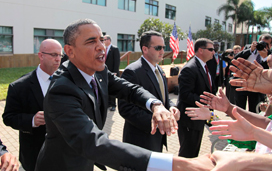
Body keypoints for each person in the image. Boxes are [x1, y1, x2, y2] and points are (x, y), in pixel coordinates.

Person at [34, 19, 215, 171]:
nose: (101, 47)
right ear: (70, 51)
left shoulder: (99, 71)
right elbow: (94, 142)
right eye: (91, 42)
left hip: (85, 161)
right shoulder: (61, 89)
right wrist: (176, 164)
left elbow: (129, 89)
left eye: (102, 40)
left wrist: (156, 105)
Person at [2, 39, 62, 171]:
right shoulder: (19, 86)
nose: (58, 59)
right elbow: (8, 117)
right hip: (35, 154)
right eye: (53, 55)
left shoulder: (68, 81)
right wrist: (32, 120)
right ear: (41, 55)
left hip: (65, 154)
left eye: (60, 55)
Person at [118, 31, 180, 152]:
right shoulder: (132, 72)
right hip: (140, 140)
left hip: (156, 138)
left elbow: (163, 97)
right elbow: (125, 108)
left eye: (163, 47)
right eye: (158, 48)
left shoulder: (160, 70)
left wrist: (171, 106)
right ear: (145, 49)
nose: (162, 51)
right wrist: (156, 121)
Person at [177, 38, 216, 158]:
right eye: (211, 49)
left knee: (194, 152)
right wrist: (208, 101)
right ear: (200, 50)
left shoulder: (204, 65)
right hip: (190, 119)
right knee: (187, 153)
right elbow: (185, 95)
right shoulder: (190, 68)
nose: (213, 52)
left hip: (199, 117)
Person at [234, 34, 272, 112]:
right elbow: (235, 58)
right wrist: (250, 50)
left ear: (270, 46)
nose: (263, 46)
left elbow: (269, 72)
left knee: (254, 109)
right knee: (239, 108)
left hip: (258, 85)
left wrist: (265, 58)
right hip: (243, 81)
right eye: (262, 43)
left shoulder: (270, 56)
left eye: (266, 44)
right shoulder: (249, 48)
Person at [104, 34, 120, 111]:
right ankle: (108, 103)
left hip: (113, 72)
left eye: (104, 39)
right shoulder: (104, 49)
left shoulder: (114, 49)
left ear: (109, 40)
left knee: (113, 88)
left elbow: (117, 61)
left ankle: (113, 104)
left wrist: (115, 72)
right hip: (105, 72)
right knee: (106, 87)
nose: (103, 41)